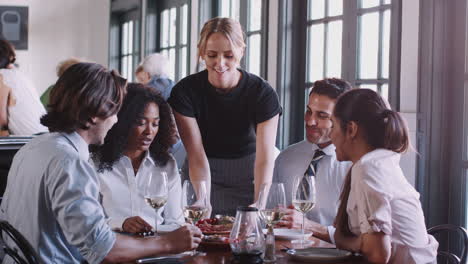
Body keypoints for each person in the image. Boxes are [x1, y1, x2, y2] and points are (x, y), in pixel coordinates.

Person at [0, 63, 202, 263]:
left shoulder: (32, 148)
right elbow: (104, 249)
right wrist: (168, 243)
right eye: (114, 112)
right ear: (93, 114)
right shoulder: (71, 164)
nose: (115, 121)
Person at [168, 17, 281, 216]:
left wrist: (259, 202)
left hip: (251, 171)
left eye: (228, 55)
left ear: (241, 52)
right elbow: (195, 154)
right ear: (202, 52)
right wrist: (203, 199)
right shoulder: (185, 92)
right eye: (212, 55)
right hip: (202, 171)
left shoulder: (262, 93)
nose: (220, 63)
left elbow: (265, 157)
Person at [331, 89, 438, 263]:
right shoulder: (378, 162)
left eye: (333, 126)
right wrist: (356, 242)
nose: (330, 135)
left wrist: (349, 242)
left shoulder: (368, 168)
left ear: (351, 129)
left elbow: (378, 255)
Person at [91, 83, 184, 233]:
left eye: (155, 124)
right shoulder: (94, 163)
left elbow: (177, 222)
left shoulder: (167, 164)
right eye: (141, 123)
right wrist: (122, 223)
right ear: (121, 123)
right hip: (113, 248)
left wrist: (150, 230)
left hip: (157, 248)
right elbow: (89, 223)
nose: (149, 131)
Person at [273, 78, 352, 243]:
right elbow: (268, 214)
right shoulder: (285, 158)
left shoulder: (354, 166)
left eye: (322, 116)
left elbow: (360, 238)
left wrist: (309, 226)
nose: (310, 121)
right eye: (309, 111)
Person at [0, 39, 47, 135]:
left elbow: (1, 121)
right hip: (44, 134)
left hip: (28, 141)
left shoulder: (2, 77)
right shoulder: (21, 76)